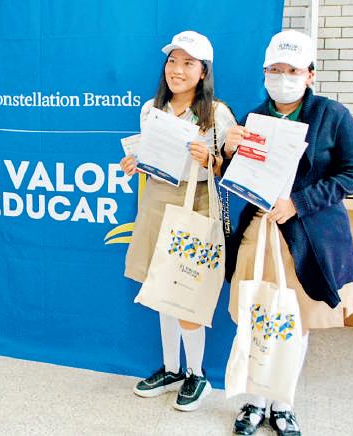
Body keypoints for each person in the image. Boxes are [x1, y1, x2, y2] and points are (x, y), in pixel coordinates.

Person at [223, 30, 353, 436]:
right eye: (274, 70)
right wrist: (229, 152)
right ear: (264, 72)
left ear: (310, 75)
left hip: (309, 236)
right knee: (258, 314)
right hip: (260, 232)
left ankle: (283, 404)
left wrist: (299, 203)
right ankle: (254, 401)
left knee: (293, 321)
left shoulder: (332, 115)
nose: (282, 78)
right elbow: (237, 178)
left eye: (292, 70)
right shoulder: (253, 119)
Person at [120, 31, 236, 411]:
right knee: (160, 289)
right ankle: (172, 369)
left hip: (195, 202)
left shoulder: (217, 113)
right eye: (172, 61)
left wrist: (210, 160)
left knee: (186, 291)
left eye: (188, 63)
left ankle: (196, 374)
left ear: (203, 72)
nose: (177, 70)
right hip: (156, 199)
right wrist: (135, 162)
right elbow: (152, 158)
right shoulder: (150, 109)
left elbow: (229, 170)